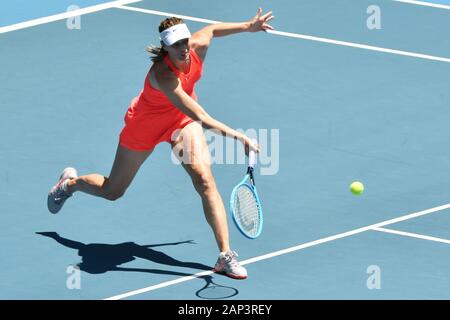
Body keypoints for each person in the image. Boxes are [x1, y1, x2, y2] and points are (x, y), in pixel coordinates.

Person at [47, 8, 274, 280]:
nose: (184, 49)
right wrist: (241, 137)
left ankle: (225, 256)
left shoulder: (196, 47)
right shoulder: (163, 75)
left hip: (180, 122)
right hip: (145, 127)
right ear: (165, 48)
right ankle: (69, 184)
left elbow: (212, 29)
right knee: (113, 191)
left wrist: (248, 25)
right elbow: (201, 116)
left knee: (204, 180)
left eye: (185, 42)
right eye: (176, 45)